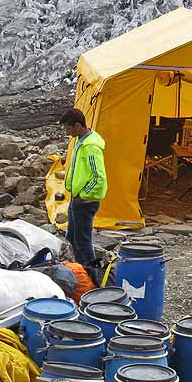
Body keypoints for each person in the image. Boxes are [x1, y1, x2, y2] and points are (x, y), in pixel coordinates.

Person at [61, 108, 107, 267]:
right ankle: (81, 270)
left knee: (82, 240)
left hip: (85, 201)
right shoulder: (80, 141)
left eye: (68, 128)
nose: (67, 132)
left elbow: (98, 177)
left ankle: (92, 272)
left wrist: (84, 195)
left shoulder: (91, 146)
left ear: (78, 126)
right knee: (72, 237)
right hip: (77, 198)